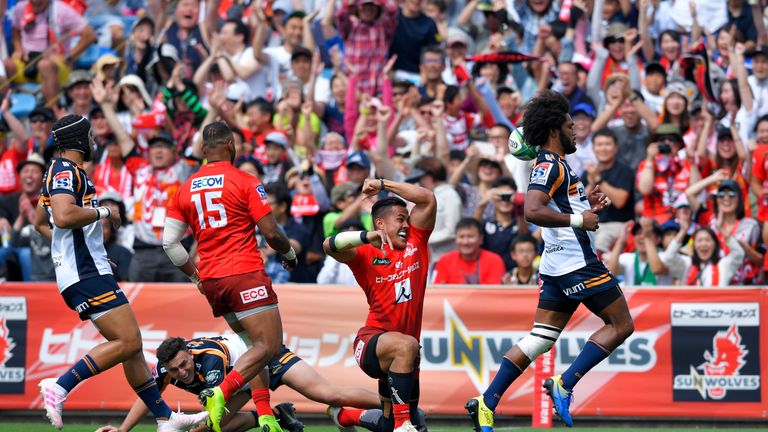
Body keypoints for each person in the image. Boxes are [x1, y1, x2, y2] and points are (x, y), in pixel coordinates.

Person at [466, 91, 634, 429]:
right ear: (556, 127)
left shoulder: (557, 164)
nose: (575, 131)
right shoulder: (549, 164)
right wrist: (578, 221)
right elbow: (532, 210)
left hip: (556, 266)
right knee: (621, 325)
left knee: (540, 338)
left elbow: (557, 208)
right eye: (571, 125)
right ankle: (564, 383)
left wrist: (587, 211)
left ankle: (488, 400)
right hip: (577, 264)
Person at [34, 115, 208, 432]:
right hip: (85, 272)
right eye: (89, 134)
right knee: (129, 342)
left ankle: (165, 418)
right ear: (78, 139)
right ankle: (60, 386)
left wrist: (82, 251)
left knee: (133, 348)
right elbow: (61, 216)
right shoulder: (66, 170)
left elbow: (39, 223)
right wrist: (105, 212)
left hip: (86, 268)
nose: (94, 140)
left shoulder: (59, 170)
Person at [162, 121, 299, 432]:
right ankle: (220, 393)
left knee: (254, 346)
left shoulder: (185, 188)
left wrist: (195, 276)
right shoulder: (244, 180)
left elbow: (169, 243)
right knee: (271, 344)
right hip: (244, 274)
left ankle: (265, 415)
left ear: (201, 151)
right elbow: (270, 232)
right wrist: (289, 254)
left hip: (211, 281)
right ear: (231, 146)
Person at [323, 178, 436, 432]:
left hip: (405, 356)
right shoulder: (366, 253)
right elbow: (328, 245)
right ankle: (403, 423)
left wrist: (383, 184)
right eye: (400, 219)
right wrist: (366, 237)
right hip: (372, 342)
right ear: (380, 224)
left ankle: (347, 417)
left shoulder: (416, 242)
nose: (407, 224)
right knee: (407, 347)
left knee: (395, 422)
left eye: (408, 218)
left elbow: (427, 198)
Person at [95, 335, 382, 432]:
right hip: (243, 380)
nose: (181, 372)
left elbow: (226, 397)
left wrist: (199, 424)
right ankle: (276, 415)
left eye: (184, 364)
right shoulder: (167, 369)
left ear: (189, 353)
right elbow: (148, 396)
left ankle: (397, 406)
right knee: (216, 426)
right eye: (174, 369)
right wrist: (123, 429)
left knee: (329, 393)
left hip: (269, 358)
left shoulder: (209, 359)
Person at [432, 218, 506, 285]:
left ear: (481, 239)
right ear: (456, 239)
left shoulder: (495, 261)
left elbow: (495, 293)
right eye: (461, 237)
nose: (465, 242)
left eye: (470, 237)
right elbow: (437, 290)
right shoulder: (445, 260)